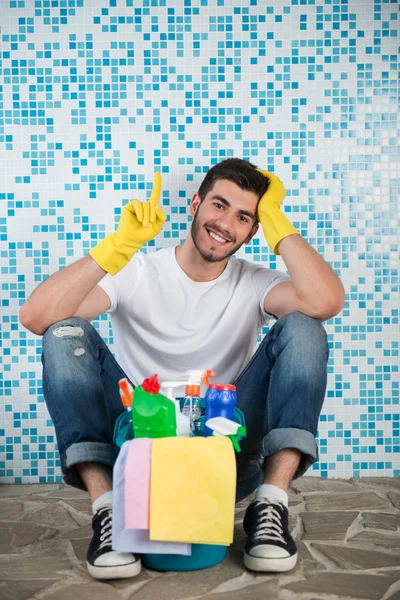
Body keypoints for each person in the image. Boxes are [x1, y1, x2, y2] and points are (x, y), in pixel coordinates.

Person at [19, 158, 344, 580]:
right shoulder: (137, 271)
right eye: (219, 206)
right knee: (65, 332)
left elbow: (325, 302)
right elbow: (38, 317)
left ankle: (270, 503)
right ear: (195, 203)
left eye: (244, 217)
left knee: (305, 326)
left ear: (253, 230)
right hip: (139, 452)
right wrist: (117, 245)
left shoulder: (255, 282)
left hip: (226, 452)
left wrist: (277, 221)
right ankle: (108, 511)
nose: (226, 224)